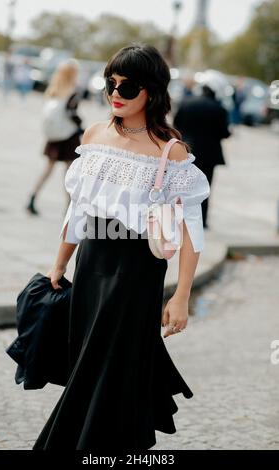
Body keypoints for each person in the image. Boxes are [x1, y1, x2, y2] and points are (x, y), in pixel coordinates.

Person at [32, 43, 210, 451]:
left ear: (151, 91)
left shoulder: (171, 151)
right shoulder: (94, 135)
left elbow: (190, 232)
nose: (115, 93)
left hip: (137, 272)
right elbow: (77, 210)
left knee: (110, 362)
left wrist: (181, 296)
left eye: (127, 87)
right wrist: (58, 265)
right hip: (92, 264)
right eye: (110, 83)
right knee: (88, 363)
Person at [26, 59, 84, 215]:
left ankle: (33, 196)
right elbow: (71, 114)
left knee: (48, 169)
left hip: (54, 136)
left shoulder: (53, 91)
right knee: (70, 172)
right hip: (68, 136)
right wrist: (81, 127)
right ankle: (69, 209)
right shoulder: (72, 93)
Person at [173, 72, 231, 229]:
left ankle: (180, 217)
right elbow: (224, 133)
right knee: (204, 188)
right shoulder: (219, 109)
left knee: (183, 187)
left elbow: (176, 125)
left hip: (186, 152)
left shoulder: (186, 102)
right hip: (209, 155)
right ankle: (201, 220)